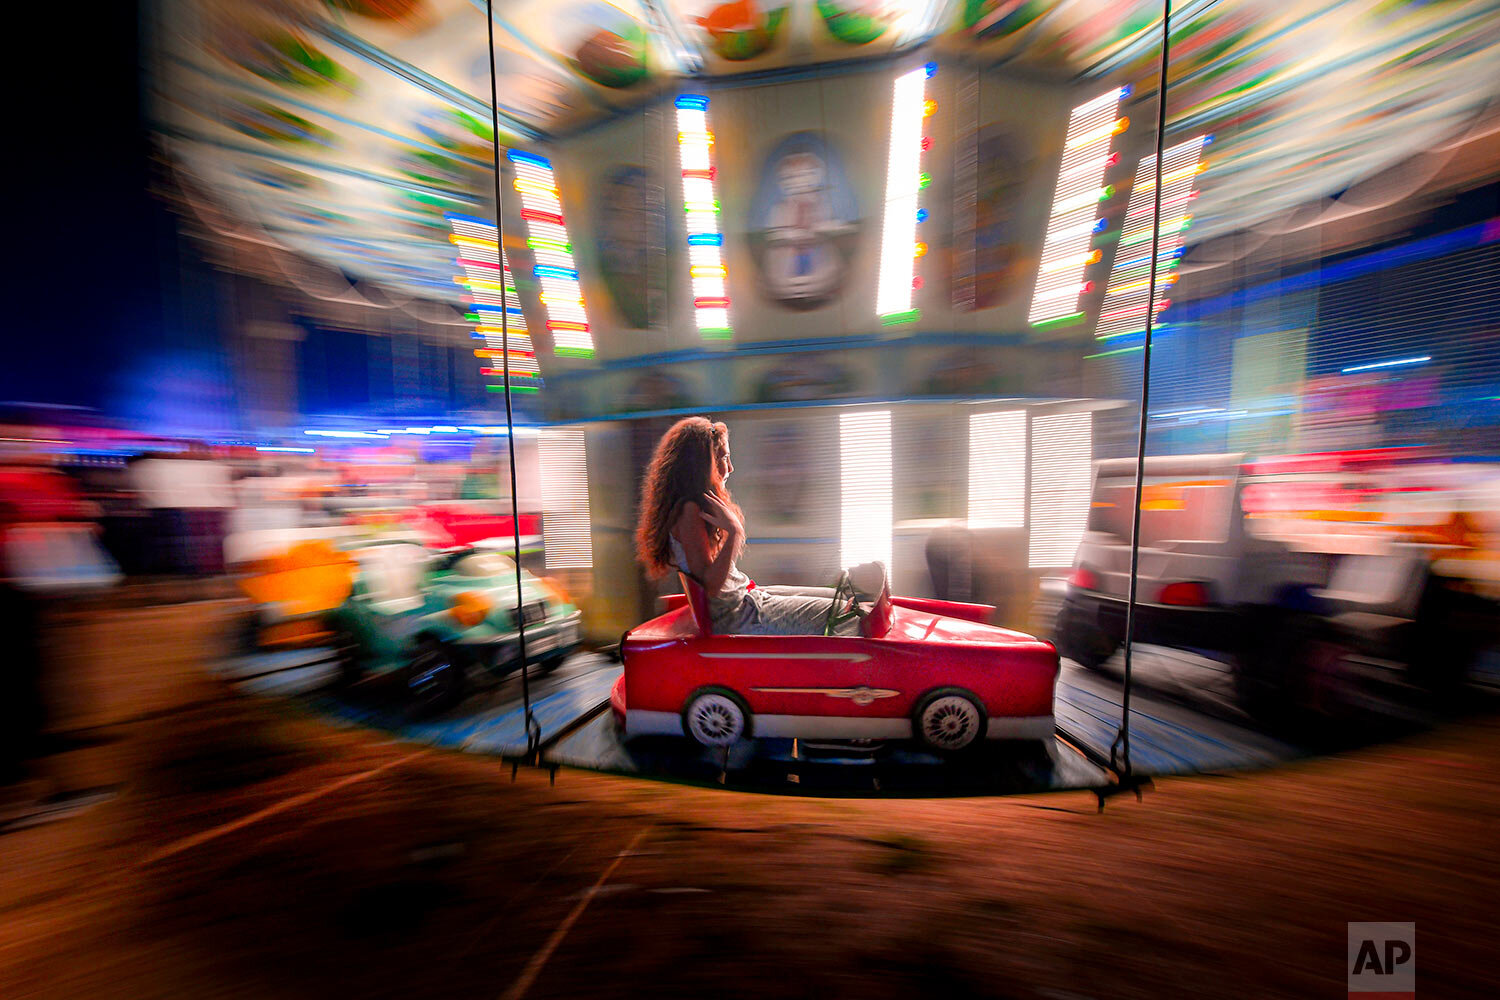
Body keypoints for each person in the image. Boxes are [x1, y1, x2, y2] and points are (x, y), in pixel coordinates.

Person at [635, 416, 883, 636]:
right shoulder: (689, 511)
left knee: (844, 599)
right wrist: (734, 532)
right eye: (722, 458)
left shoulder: (698, 504)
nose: (729, 468)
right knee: (844, 613)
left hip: (746, 599)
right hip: (737, 617)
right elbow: (710, 588)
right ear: (699, 465)